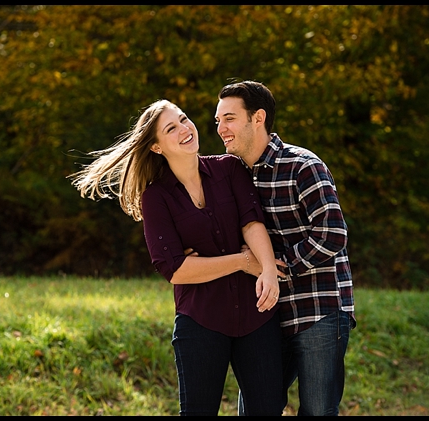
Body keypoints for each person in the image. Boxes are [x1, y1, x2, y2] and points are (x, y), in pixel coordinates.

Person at [70, 99, 286, 416]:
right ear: (156, 147)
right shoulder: (156, 197)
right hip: (201, 321)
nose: (185, 129)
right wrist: (242, 262)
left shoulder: (229, 168)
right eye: (172, 128)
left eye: (184, 119)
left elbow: (252, 222)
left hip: (257, 316)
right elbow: (175, 269)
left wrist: (266, 269)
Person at [216, 80, 355, 416]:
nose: (221, 129)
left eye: (229, 119)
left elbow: (332, 232)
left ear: (258, 118)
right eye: (218, 121)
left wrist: (278, 266)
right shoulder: (231, 176)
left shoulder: (302, 165)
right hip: (264, 318)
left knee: (318, 411)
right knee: (254, 409)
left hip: (317, 310)